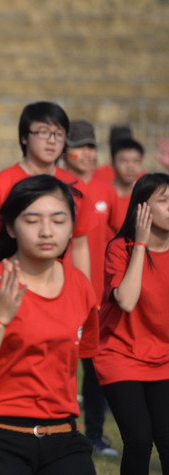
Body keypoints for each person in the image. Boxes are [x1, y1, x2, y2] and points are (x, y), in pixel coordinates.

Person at [0, 174, 99, 475]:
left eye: (58, 220)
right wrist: (0, 318)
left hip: (64, 438)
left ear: (71, 227)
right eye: (33, 220)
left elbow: (79, 358)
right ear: (11, 227)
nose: (47, 231)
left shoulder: (80, 286)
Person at [95, 173, 169, 474]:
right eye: (164, 201)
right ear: (142, 209)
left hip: (163, 357)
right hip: (120, 355)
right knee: (139, 439)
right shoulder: (120, 249)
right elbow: (126, 300)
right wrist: (140, 244)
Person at [0, 102, 93, 278]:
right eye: (43, 132)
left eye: (58, 134)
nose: (52, 140)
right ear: (24, 137)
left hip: (61, 286)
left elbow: (79, 245)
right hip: (13, 285)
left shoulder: (76, 185)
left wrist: (83, 292)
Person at [61, 120, 120, 455]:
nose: (87, 153)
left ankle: (94, 435)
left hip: (97, 295)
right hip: (60, 292)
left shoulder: (104, 188)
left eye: (92, 146)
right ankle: (65, 431)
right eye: (80, 146)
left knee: (95, 369)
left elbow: (118, 235)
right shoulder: (57, 186)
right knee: (62, 365)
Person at [110, 138, 144, 229]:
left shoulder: (145, 196)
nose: (130, 166)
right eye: (124, 161)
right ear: (113, 163)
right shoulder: (101, 195)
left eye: (136, 161)